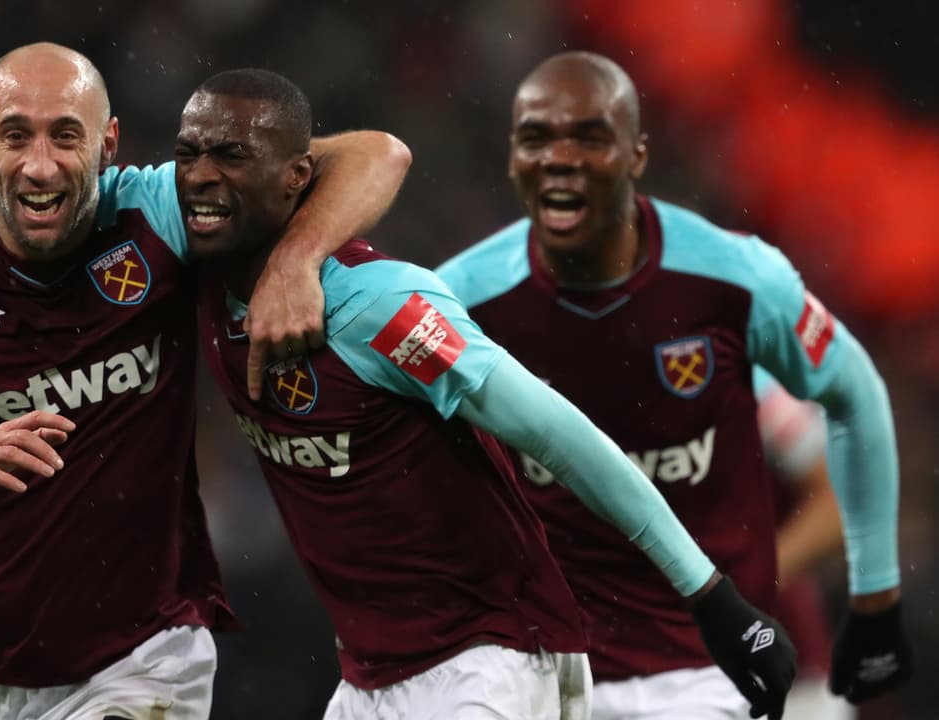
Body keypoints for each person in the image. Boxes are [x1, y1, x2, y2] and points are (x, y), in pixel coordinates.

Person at [174, 68, 795, 720]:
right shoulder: (201, 267)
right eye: (187, 154)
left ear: (297, 175)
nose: (200, 175)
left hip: (493, 657)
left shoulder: (377, 304)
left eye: (231, 155)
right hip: (368, 677)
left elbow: (561, 437)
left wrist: (709, 597)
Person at [0, 42, 411, 720]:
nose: (40, 164)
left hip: (145, 656)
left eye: (65, 136)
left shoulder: (156, 211)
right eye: (16, 135)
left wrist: (295, 262)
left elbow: (376, 154)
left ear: (108, 145)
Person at [435, 51, 912, 719]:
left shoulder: (735, 283)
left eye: (590, 137)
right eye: (535, 138)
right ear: (511, 155)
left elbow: (853, 400)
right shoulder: (457, 302)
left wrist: (866, 593)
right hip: (557, 674)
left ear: (637, 155)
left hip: (720, 669)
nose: (559, 158)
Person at [755, 368, 854, 720]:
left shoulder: (751, 383)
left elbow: (838, 502)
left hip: (787, 682)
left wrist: (741, 586)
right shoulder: (589, 379)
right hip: (635, 667)